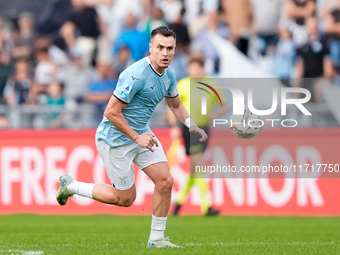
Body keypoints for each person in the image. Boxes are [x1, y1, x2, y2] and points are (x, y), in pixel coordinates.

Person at [56, 26, 207, 248]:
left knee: (165, 181)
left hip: (141, 133)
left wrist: (192, 125)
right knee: (125, 199)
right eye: (160, 48)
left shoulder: (170, 74)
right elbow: (110, 112)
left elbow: (175, 105)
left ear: (175, 50)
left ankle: (156, 239)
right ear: (151, 49)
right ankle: (71, 186)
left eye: (170, 48)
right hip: (114, 139)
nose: (165, 53)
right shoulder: (134, 74)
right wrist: (137, 138)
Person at [168, 55, 227, 216]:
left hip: (205, 128)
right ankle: (206, 206)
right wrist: (173, 125)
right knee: (199, 164)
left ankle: (178, 203)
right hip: (189, 129)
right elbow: (172, 105)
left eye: (194, 67)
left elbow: (223, 105)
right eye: (190, 68)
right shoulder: (183, 84)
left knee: (195, 169)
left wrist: (216, 113)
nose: (191, 71)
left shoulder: (211, 84)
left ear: (201, 68)